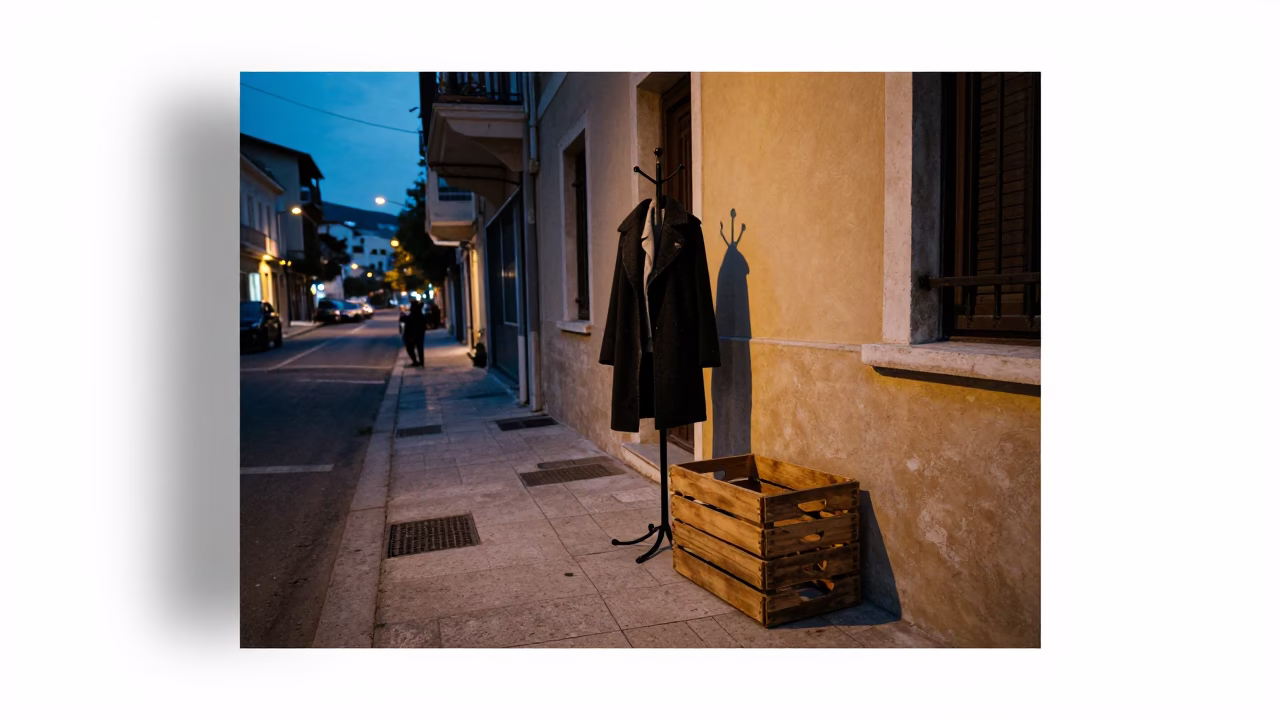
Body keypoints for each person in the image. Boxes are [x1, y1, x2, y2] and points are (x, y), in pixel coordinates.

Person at [402, 299, 426, 367]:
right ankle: (419, 362)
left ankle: (417, 362)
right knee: (418, 348)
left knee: (411, 348)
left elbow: (409, 321)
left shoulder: (416, 313)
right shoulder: (418, 313)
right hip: (418, 334)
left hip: (413, 334)